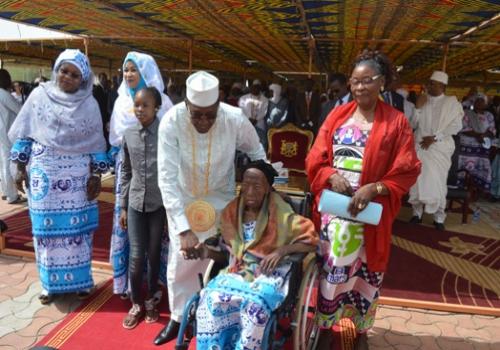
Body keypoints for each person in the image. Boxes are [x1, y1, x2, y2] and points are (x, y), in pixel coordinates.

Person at [305, 49, 421, 349]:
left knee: (368, 273)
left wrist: (375, 188)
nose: (359, 87)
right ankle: (327, 327)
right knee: (336, 263)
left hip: (371, 211)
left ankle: (359, 329)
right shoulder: (337, 115)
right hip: (336, 207)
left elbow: (408, 168)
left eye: (366, 81)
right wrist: (331, 174)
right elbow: (315, 158)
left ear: (381, 82)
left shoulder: (396, 122)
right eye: (354, 82)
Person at [154, 71, 266, 345]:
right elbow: (166, 178)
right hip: (184, 199)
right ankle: (178, 318)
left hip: (222, 199)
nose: (203, 121)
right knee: (181, 261)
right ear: (186, 107)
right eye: (197, 115)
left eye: (210, 115)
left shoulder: (234, 118)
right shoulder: (171, 121)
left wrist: (261, 185)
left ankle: (213, 315)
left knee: (221, 259)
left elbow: (258, 153)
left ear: (219, 106)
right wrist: (182, 228)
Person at [8, 49, 109, 304]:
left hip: (77, 179)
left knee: (78, 230)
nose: (67, 77)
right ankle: (48, 286)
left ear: (83, 80)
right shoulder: (39, 95)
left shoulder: (90, 104)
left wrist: (96, 174)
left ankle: (82, 282)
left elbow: (97, 142)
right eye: (64, 71)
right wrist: (19, 167)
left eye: (75, 75)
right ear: (56, 70)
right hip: (44, 176)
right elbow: (25, 133)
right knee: (44, 231)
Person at [187, 160, 318, 349]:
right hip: (237, 271)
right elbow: (229, 258)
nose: (249, 191)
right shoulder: (232, 212)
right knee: (211, 297)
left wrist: (282, 250)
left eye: (256, 186)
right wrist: (205, 251)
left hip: (270, 273)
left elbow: (311, 241)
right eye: (245, 185)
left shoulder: (280, 212)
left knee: (254, 306)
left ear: (267, 189)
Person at [108, 51, 173, 297]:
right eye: (125, 70)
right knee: (132, 238)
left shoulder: (164, 102)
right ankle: (128, 285)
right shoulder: (121, 101)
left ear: (146, 71)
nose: (129, 74)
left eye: (134, 69)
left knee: (156, 242)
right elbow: (116, 138)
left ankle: (156, 284)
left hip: (157, 180)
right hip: (131, 176)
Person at [119, 87, 166, 329]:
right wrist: (124, 207)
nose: (140, 110)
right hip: (136, 203)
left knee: (154, 253)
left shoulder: (166, 134)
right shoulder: (128, 134)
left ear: (156, 107)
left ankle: (151, 300)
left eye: (145, 105)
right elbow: (126, 172)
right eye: (137, 105)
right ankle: (136, 302)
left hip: (159, 205)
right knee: (137, 257)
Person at [408, 71, 464, 231]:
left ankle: (439, 218)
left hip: (439, 148)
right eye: (429, 82)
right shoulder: (422, 100)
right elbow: (412, 125)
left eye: (432, 83)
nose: (429, 85)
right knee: (418, 181)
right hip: (420, 147)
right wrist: (417, 107)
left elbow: (456, 126)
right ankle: (416, 214)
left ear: (442, 86)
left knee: (438, 182)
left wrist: (434, 138)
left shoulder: (452, 103)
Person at [457, 95, 496, 193]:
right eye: (477, 101)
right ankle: (461, 186)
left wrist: (484, 135)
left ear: (485, 104)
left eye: (482, 101)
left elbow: (492, 129)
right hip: (467, 147)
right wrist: (478, 135)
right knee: (463, 167)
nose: (479, 103)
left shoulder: (489, 115)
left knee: (482, 168)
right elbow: (463, 128)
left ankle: (475, 189)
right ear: (473, 103)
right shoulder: (466, 114)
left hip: (482, 148)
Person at [0, 69, 24, 204]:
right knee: (8, 163)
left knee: (2, 163)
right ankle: (12, 196)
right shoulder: (3, 94)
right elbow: (20, 110)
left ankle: (5, 191)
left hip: (1, 132)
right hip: (6, 132)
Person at [238, 79, 269, 148]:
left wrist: (256, 119)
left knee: (261, 142)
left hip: (259, 123)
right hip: (246, 122)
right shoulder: (243, 98)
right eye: (254, 87)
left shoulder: (265, 99)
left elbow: (264, 111)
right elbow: (241, 109)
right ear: (251, 87)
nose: (255, 89)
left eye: (257, 87)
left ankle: (260, 157)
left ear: (260, 88)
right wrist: (249, 118)